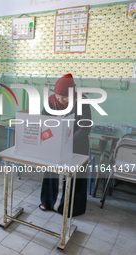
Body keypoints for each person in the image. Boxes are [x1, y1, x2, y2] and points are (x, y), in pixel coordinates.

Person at [39, 73, 91, 217]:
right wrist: (52, 141)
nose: (60, 99)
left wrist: (67, 143)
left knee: (74, 177)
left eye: (64, 97)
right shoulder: (51, 101)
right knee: (52, 173)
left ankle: (71, 207)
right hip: (55, 145)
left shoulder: (82, 103)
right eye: (58, 96)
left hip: (77, 145)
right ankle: (48, 202)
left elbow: (85, 128)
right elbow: (44, 122)